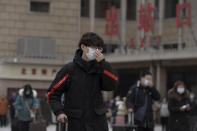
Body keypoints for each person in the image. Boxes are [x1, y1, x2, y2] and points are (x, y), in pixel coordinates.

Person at [47, 32, 118, 131]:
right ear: (83, 47)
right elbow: (52, 93)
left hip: (97, 122)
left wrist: (103, 64)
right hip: (75, 122)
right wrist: (59, 112)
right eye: (93, 48)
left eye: (99, 49)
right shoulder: (70, 69)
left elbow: (112, 85)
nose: (96, 52)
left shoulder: (101, 68)